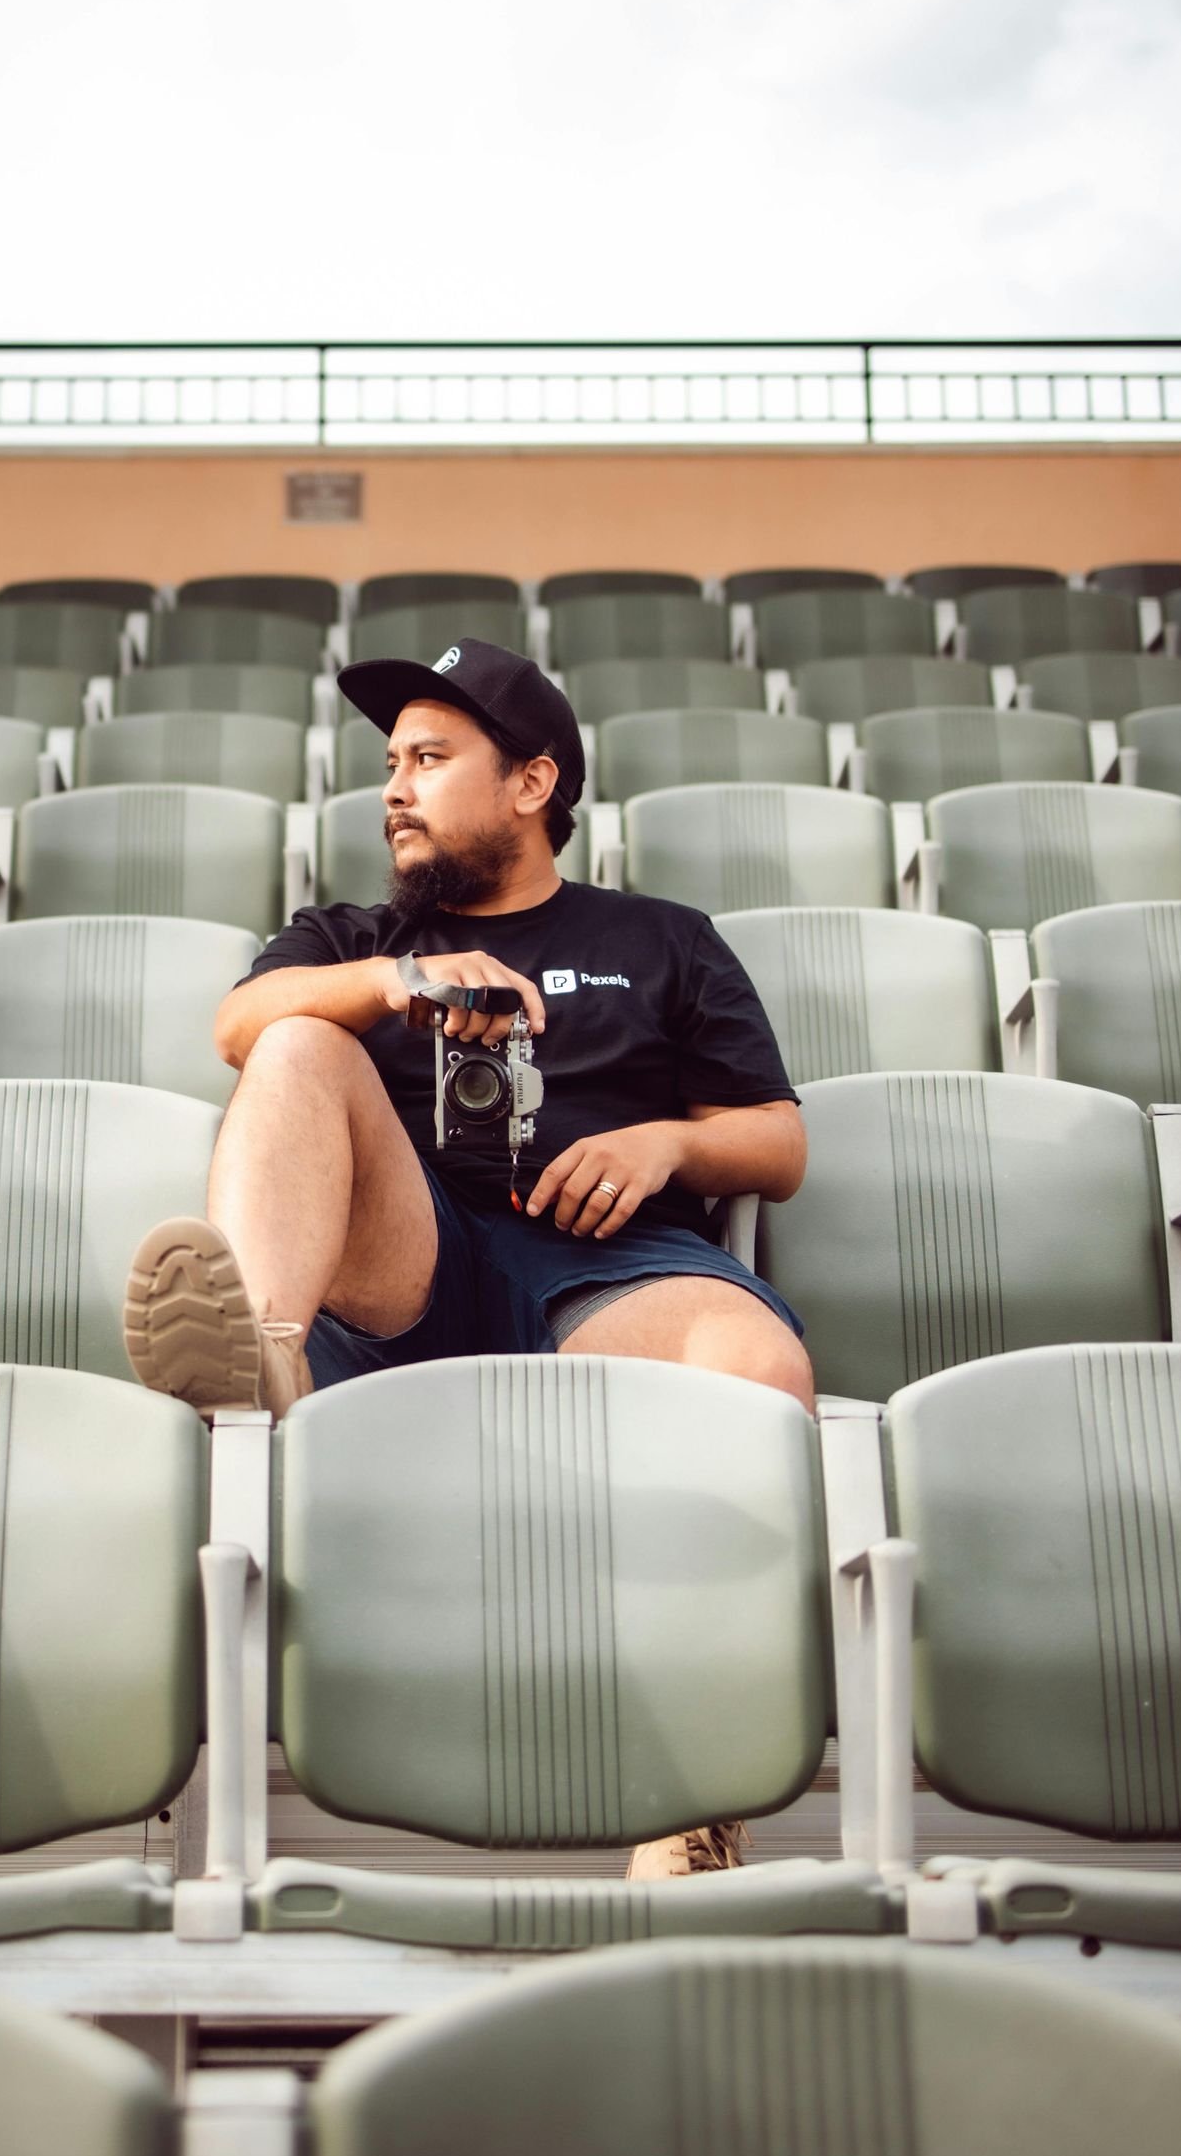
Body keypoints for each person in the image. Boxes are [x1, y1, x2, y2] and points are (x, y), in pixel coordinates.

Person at [122, 634, 814, 1877]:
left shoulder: (664, 939)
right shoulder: (349, 937)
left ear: (532, 783)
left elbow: (778, 1141)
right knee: (296, 1045)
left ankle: (695, 1801)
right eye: (391, 762)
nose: (394, 787)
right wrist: (397, 980)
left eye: (431, 759)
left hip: (605, 1268)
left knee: (760, 1371)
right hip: (408, 1266)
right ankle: (262, 1362)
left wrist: (664, 1142)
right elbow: (237, 1025)